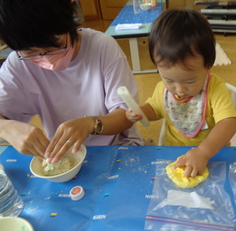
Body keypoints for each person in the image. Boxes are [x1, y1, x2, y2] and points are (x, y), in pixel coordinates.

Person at [0, 0, 143, 163]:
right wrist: (6, 128)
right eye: (30, 52)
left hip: (116, 146)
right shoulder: (17, 64)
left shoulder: (102, 47)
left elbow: (125, 117)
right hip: (64, 155)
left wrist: (91, 123)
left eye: (55, 46)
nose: (46, 58)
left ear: (69, 23)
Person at [125, 9, 236, 177]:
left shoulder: (214, 88)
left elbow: (228, 123)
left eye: (190, 81)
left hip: (213, 154)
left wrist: (203, 152)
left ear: (208, 67)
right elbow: (154, 109)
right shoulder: (162, 90)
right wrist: (141, 112)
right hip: (175, 153)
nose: (179, 89)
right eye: (169, 80)